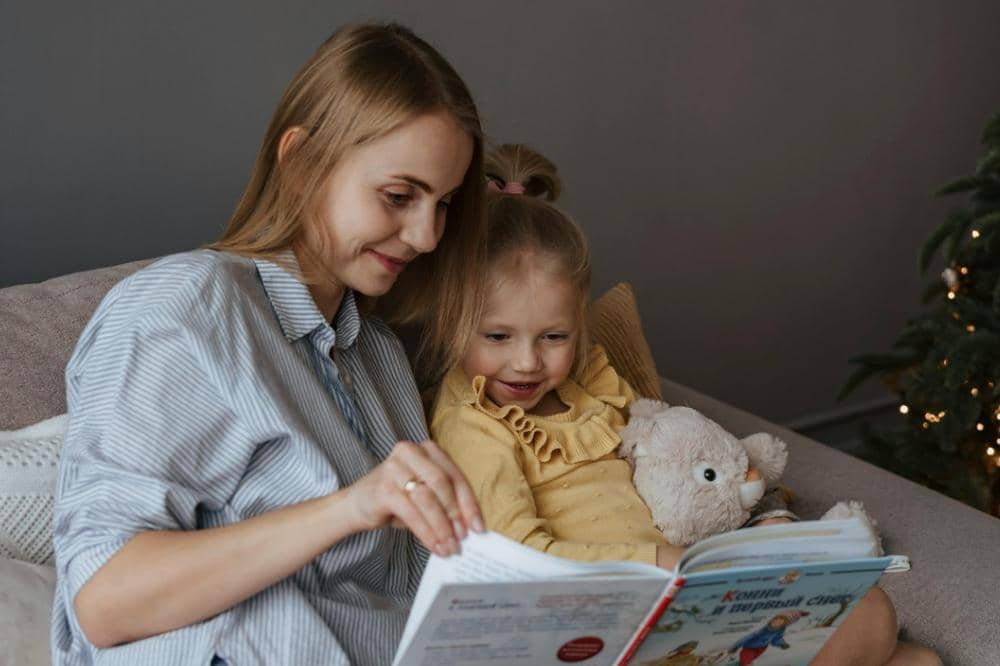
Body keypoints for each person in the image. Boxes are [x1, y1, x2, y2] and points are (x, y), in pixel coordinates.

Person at [52, 23, 486, 666]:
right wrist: (351, 507)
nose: (425, 236)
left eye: (443, 204)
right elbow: (104, 597)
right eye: (399, 196)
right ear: (302, 162)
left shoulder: (379, 355)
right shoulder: (188, 308)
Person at [426, 144, 941, 666]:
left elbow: (675, 460)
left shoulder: (589, 385)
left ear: (579, 325)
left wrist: (752, 518)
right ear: (451, 317)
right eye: (497, 336)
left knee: (884, 625)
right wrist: (652, 562)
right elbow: (521, 560)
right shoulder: (474, 424)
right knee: (884, 643)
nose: (526, 362)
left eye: (553, 336)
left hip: (679, 598)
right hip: (603, 622)